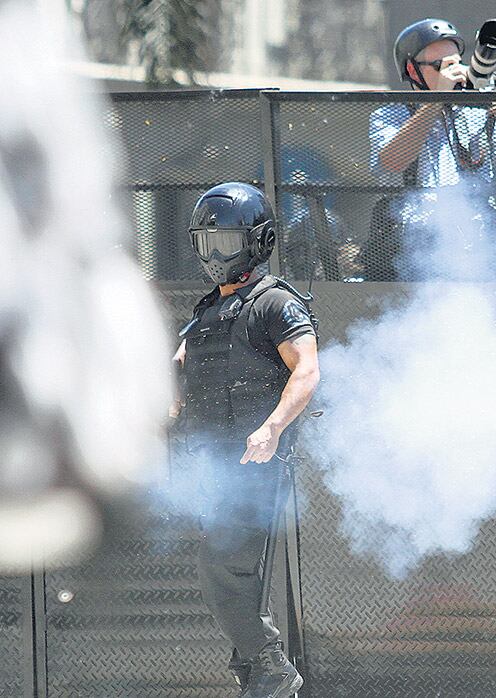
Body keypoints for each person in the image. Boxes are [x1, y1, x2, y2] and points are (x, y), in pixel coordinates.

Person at [171, 182, 320, 698]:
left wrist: (273, 426)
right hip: (213, 463)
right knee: (229, 575)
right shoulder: (205, 312)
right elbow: (180, 379)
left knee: (223, 567)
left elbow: (306, 371)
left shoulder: (275, 302)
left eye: (227, 244)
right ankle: (257, 674)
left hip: (257, 464)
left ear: (259, 242)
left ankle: (270, 668)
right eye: (208, 245)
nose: (216, 257)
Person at [365, 17, 496, 281]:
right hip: (415, 251)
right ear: (413, 70)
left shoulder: (478, 116)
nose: (455, 72)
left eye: (457, 63)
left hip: (483, 246)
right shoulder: (391, 115)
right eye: (442, 66)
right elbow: (392, 163)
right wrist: (437, 100)